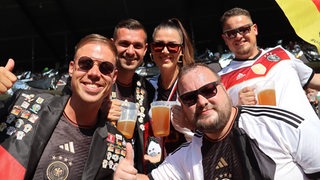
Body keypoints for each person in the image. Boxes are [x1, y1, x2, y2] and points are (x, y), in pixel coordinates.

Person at [113, 63, 320, 180]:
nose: (202, 102)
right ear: (183, 108)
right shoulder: (187, 155)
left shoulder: (277, 124)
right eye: (190, 98)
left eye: (208, 90)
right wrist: (126, 176)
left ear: (224, 90)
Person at [0, 34, 126, 179]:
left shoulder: (116, 147)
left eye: (105, 68)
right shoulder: (23, 104)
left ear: (114, 77)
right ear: (72, 68)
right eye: (86, 64)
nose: (94, 73)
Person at [217, 7, 320, 121]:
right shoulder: (220, 79)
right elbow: (220, 124)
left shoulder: (281, 53)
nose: (239, 36)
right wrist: (237, 109)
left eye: (244, 29)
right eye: (231, 33)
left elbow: (314, 80)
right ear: (225, 39)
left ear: (254, 29)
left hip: (309, 135)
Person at [102, 18, 156, 173]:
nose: (131, 51)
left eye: (137, 46)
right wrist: (97, 115)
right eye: (124, 44)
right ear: (112, 44)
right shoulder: (96, 82)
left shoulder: (148, 90)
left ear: (145, 50)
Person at [148, 18, 195, 156]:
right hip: (158, 166)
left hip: (190, 163)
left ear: (180, 50)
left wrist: (189, 125)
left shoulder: (192, 85)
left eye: (172, 46)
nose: (164, 51)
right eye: (158, 45)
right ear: (151, 49)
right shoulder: (147, 88)